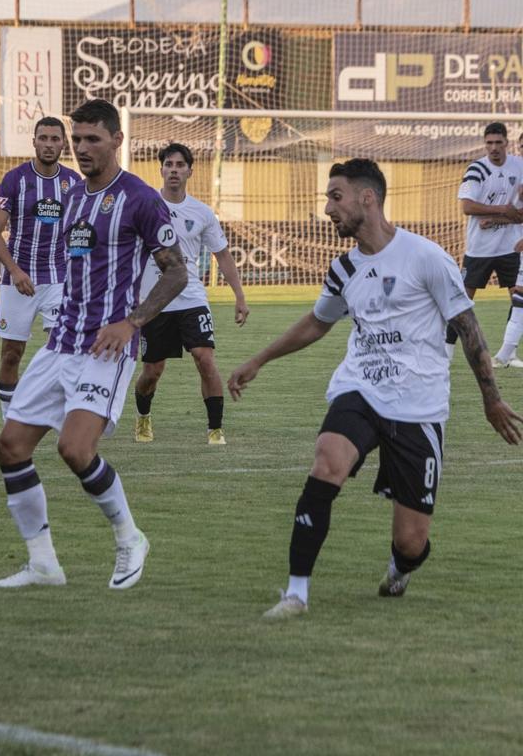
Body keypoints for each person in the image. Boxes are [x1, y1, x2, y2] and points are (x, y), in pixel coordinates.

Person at [227, 159, 523, 620]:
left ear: (369, 198)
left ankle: (402, 566)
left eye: (336, 196)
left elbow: (467, 326)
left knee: (411, 541)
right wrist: (258, 359)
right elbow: (318, 322)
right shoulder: (343, 267)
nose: (328, 208)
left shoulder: (425, 257)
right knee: (327, 462)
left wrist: (491, 399)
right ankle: (296, 593)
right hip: (360, 388)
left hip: (419, 404)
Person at [0, 99, 188, 590]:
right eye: (77, 140)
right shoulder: (74, 197)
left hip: (105, 348)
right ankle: (43, 565)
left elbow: (178, 271)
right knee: (11, 447)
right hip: (60, 344)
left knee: (75, 449)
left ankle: (129, 538)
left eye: (91, 139)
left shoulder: (140, 198)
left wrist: (132, 322)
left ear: (118, 141)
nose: (81, 149)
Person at [133, 142, 249, 445]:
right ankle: (143, 417)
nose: (174, 170)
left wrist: (239, 296)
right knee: (152, 371)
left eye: (179, 165)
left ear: (189, 171)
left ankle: (215, 429)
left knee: (204, 358)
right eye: (168, 164)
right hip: (155, 300)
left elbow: (222, 254)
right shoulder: (144, 206)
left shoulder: (201, 212)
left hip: (191, 297)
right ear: (161, 170)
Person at [0, 117, 82, 419]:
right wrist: (14, 271)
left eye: (55, 139)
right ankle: (8, 418)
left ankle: (61, 416)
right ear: (34, 142)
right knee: (12, 355)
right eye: (44, 138)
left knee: (63, 351)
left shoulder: (74, 182)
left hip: (58, 280)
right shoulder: (15, 180)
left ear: (64, 144)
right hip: (19, 281)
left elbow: (84, 230)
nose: (49, 144)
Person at [443, 122, 523, 367]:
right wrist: (503, 210)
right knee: (461, 300)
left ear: (507, 143)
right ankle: (444, 354)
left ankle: (509, 352)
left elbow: (519, 214)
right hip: (479, 249)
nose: (494, 148)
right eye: (489, 143)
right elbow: (467, 207)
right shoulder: (477, 169)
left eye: (499, 142)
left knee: (519, 298)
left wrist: (497, 218)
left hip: (511, 246)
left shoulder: (519, 166)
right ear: (484, 144)